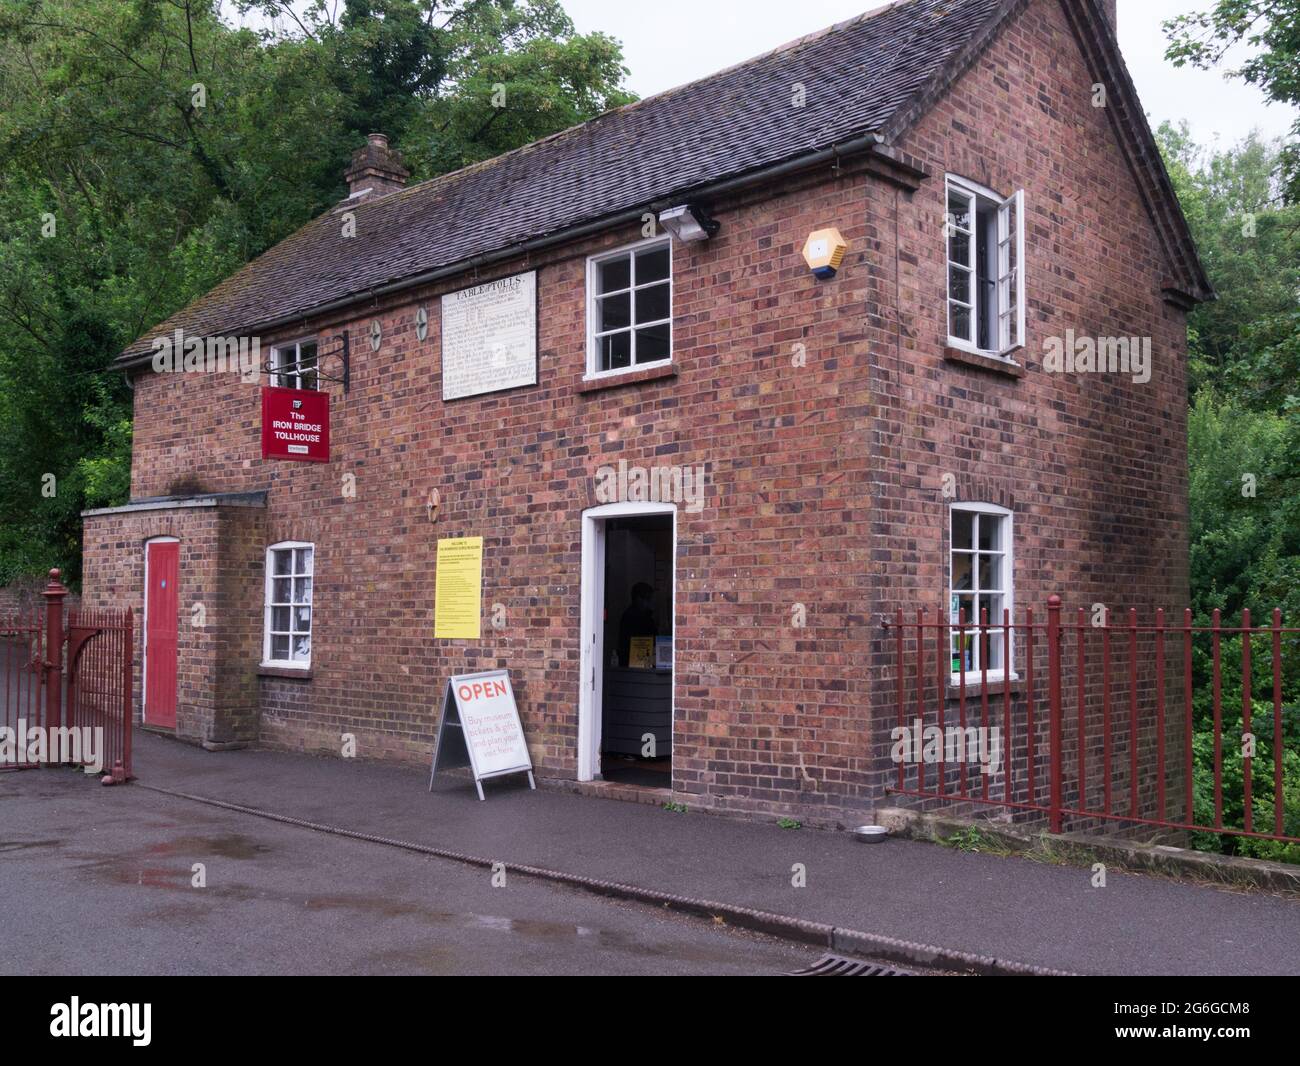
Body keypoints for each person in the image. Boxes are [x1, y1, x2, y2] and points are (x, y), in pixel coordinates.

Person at [618, 582, 658, 667]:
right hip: (634, 662)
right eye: (647, 599)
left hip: (641, 661)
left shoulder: (645, 617)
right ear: (638, 599)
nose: (649, 603)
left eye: (649, 599)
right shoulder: (631, 617)